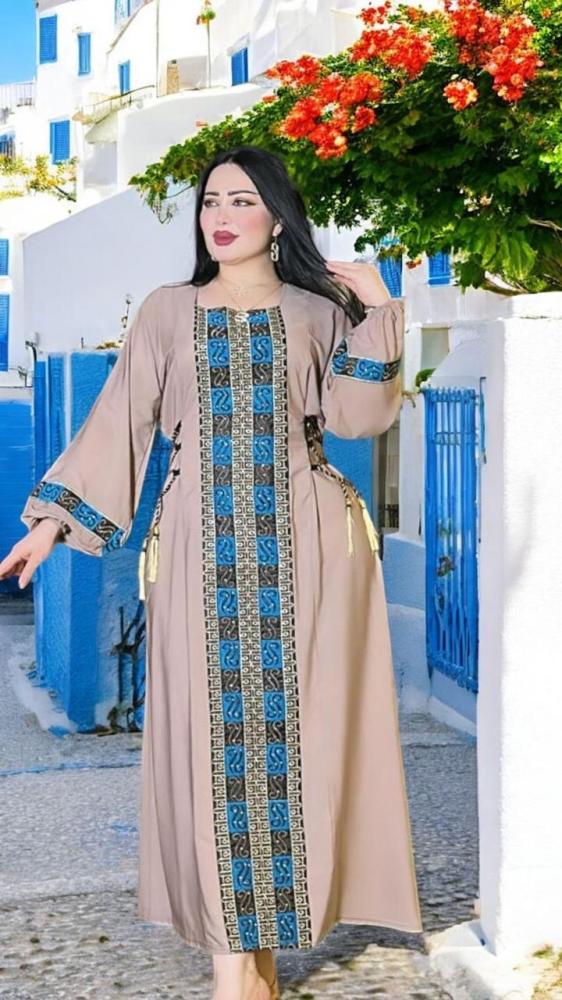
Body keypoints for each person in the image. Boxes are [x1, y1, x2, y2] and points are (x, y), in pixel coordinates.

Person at [0, 145, 422, 1000]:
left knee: (296, 744)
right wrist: (51, 522)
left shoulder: (318, 312)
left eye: (241, 200)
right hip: (199, 548)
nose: (220, 217)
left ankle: (251, 963)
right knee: (214, 743)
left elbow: (356, 418)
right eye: (210, 202)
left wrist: (380, 312)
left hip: (309, 545)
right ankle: (239, 965)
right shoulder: (168, 311)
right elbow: (120, 417)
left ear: (277, 216)